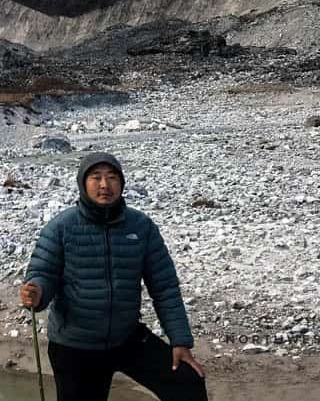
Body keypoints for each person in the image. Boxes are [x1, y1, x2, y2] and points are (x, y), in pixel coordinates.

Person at [20, 151, 207, 401]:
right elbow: (43, 274)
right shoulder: (61, 227)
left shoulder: (141, 227)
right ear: (83, 184)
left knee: (187, 382)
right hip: (76, 345)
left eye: (112, 177)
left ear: (122, 183)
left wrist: (180, 341)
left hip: (126, 338)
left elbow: (165, 288)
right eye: (96, 177)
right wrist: (37, 292)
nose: (104, 185)